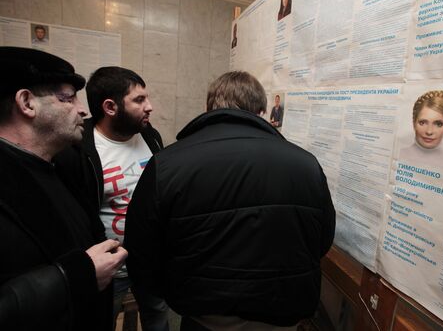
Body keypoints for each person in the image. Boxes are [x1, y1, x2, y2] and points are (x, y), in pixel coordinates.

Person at [125, 71, 336, 330]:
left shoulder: (167, 163)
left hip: (204, 316)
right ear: (261, 111)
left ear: (209, 108)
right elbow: (322, 238)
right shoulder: (306, 164)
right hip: (282, 315)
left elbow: (141, 248)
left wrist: (171, 289)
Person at [0, 46, 127, 331]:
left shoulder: (62, 164)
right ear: (27, 103)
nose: (82, 109)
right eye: (68, 98)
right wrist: (76, 275)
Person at [53, 66, 169, 331]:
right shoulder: (78, 148)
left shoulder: (150, 136)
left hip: (148, 261)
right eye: (139, 100)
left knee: (157, 316)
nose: (149, 107)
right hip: (109, 268)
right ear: (110, 107)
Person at [399, 90, 443, 168]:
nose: (429, 131)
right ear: (414, 123)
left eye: (438, 124)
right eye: (422, 123)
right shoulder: (398, 155)